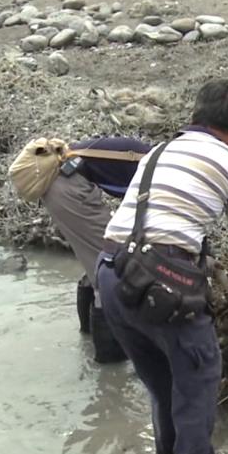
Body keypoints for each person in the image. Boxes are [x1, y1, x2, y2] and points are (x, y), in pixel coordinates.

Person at [96, 79, 228, 454]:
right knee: (200, 378)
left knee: (161, 381)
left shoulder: (159, 150)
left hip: (111, 272)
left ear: (194, 117)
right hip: (163, 281)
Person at [40, 135, 151, 364]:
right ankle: (110, 366)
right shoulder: (161, 171)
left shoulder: (154, 158)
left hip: (63, 185)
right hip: (68, 189)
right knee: (112, 266)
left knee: (95, 261)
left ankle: (88, 335)